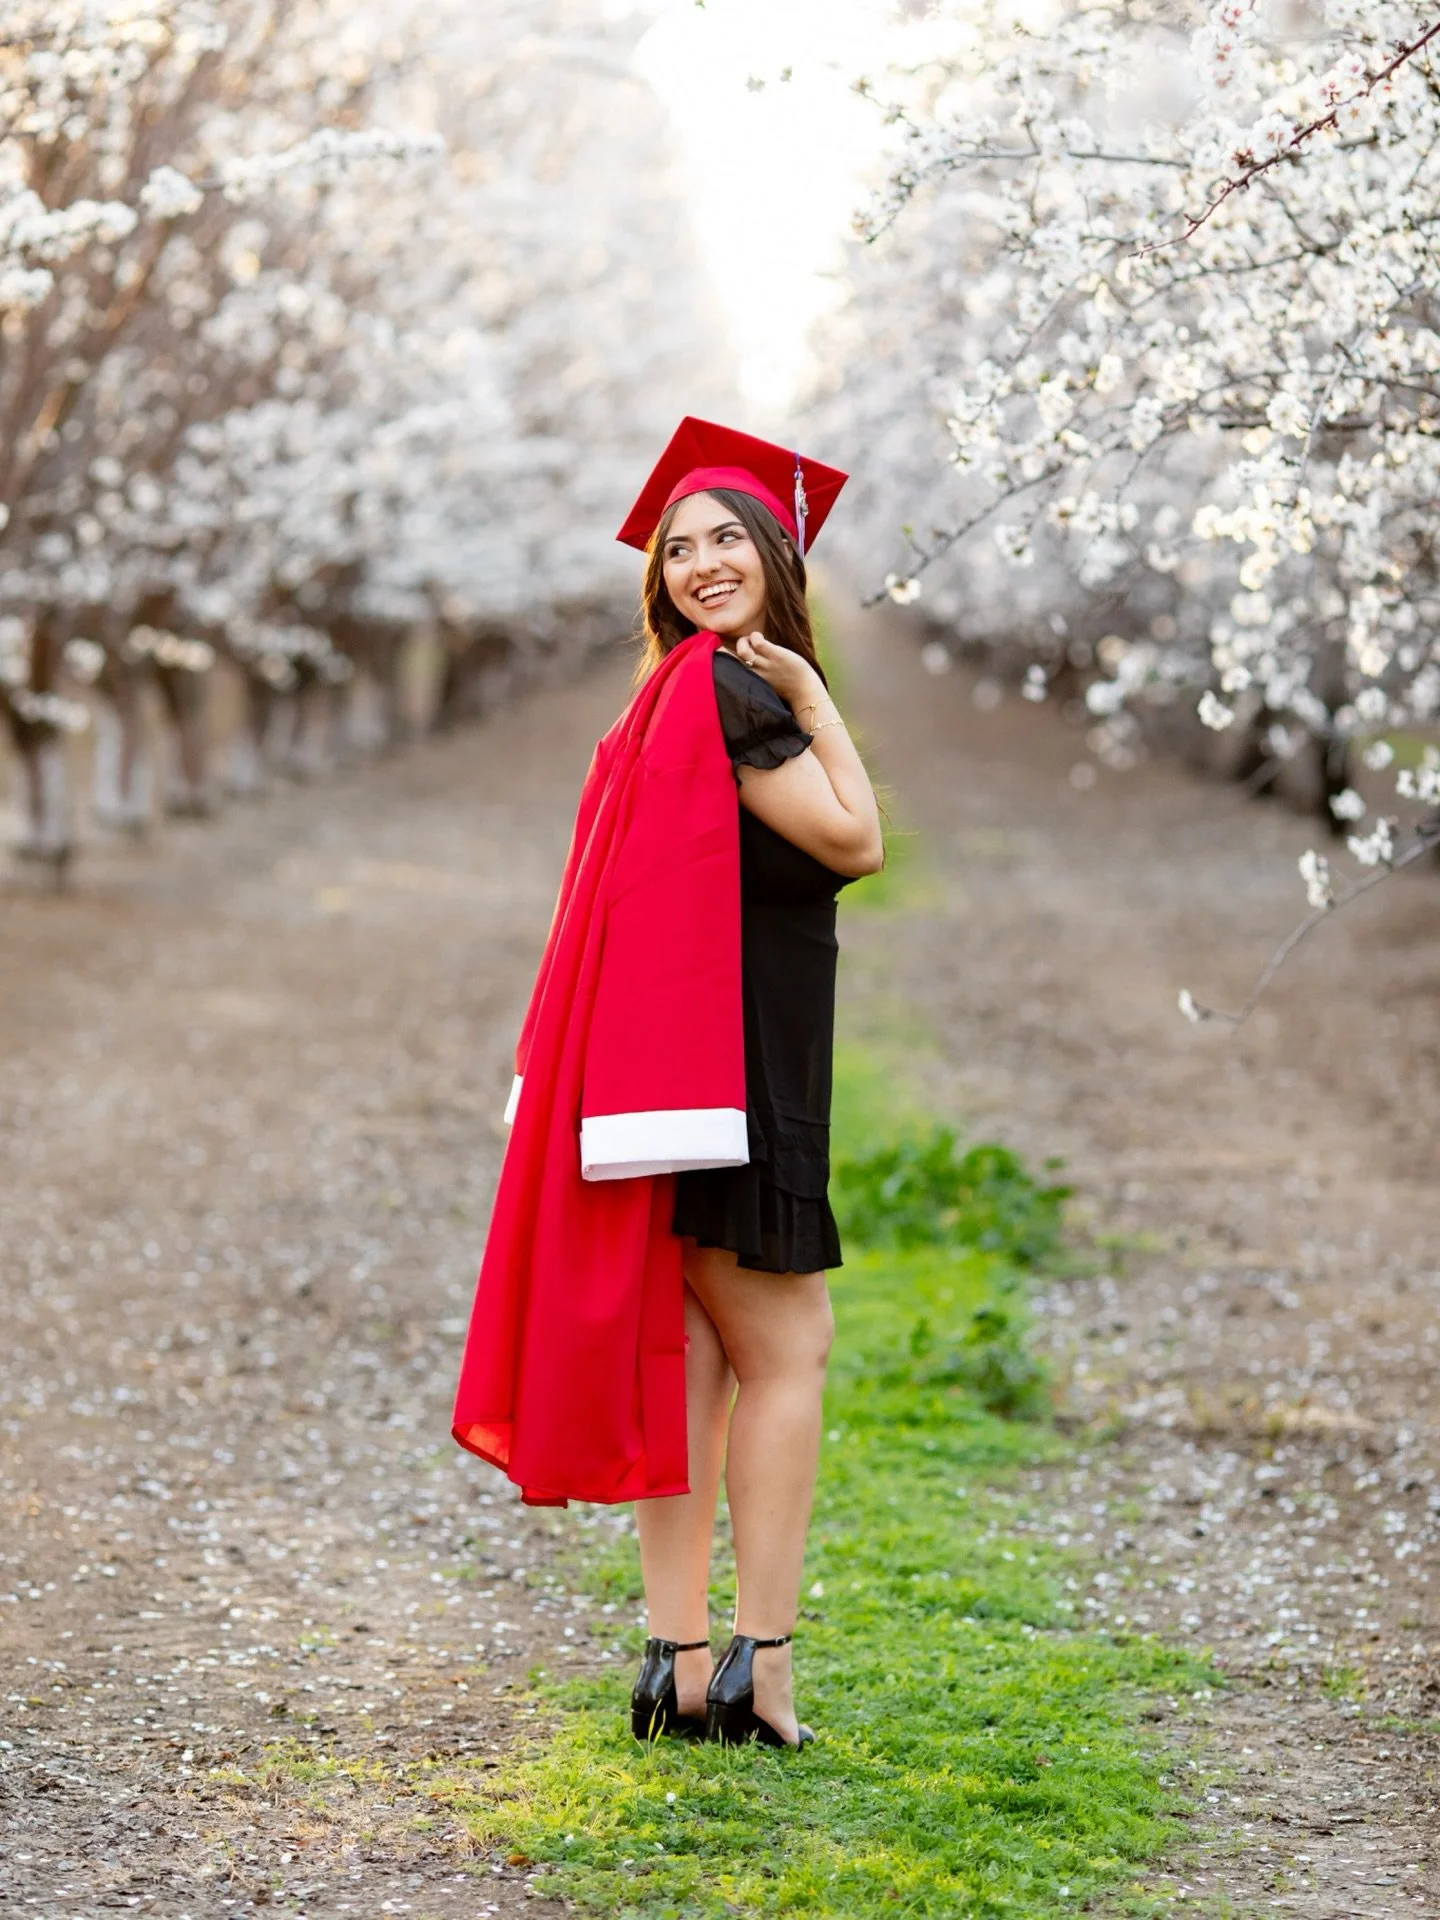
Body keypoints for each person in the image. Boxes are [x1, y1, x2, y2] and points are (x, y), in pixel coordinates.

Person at [452, 418, 883, 1752]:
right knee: (788, 1349)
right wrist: (817, 698)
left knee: (694, 1363)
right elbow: (857, 841)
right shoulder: (740, 695)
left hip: (675, 1078)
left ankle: (681, 1666)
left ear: (773, 552)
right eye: (678, 548)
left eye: (723, 539)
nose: (700, 562)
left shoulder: (663, 699)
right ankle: (764, 1668)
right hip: (739, 1077)